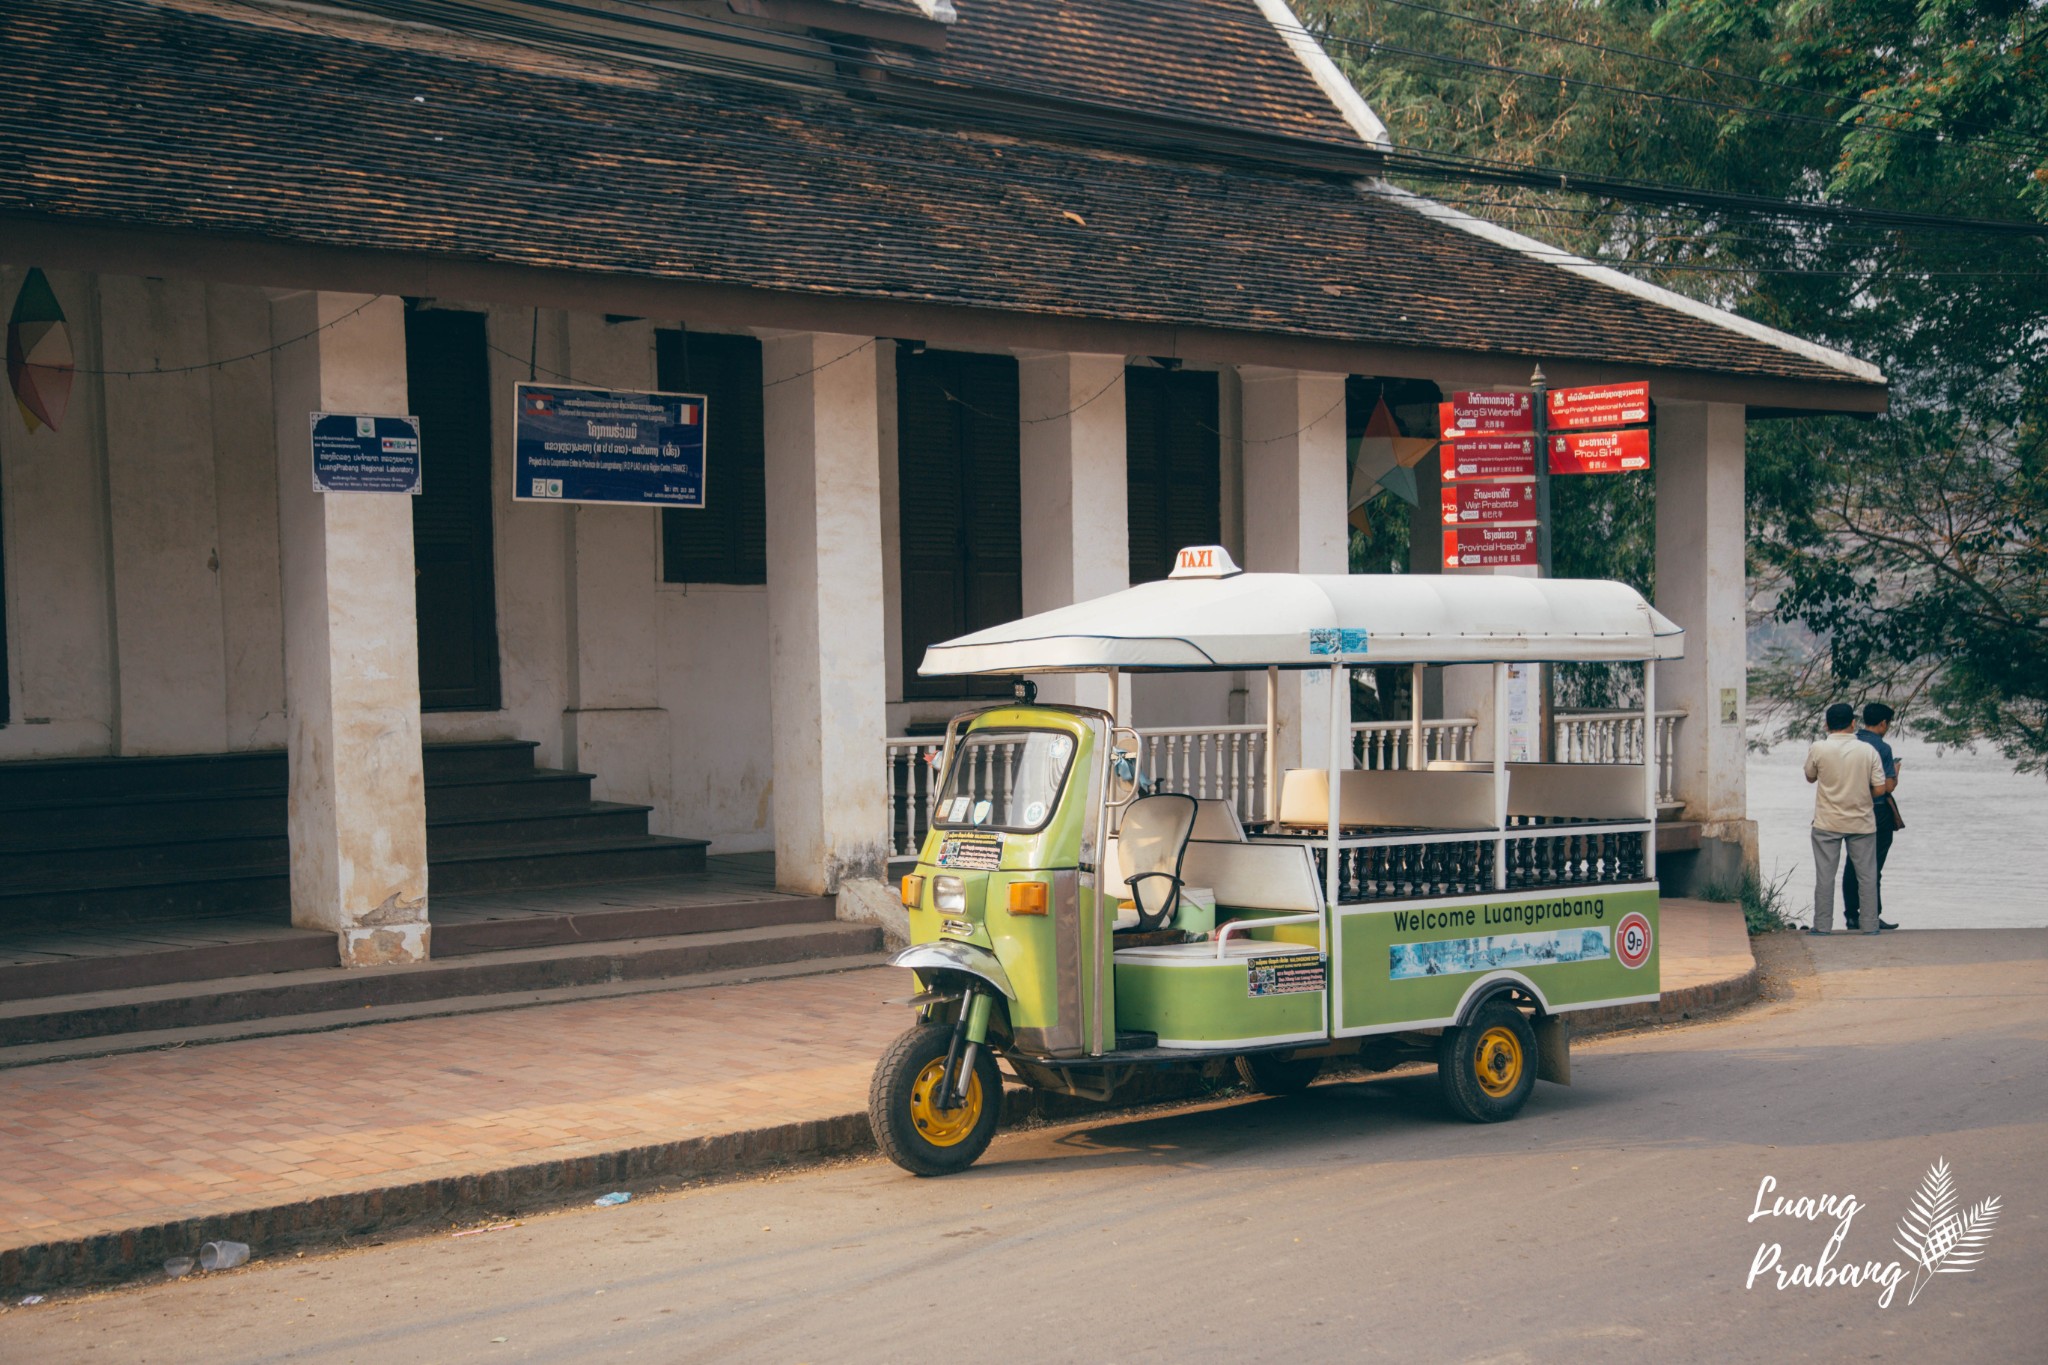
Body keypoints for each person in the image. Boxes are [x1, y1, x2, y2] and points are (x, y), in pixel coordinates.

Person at [1803, 702, 1883, 935]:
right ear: (1853, 723)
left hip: (1827, 821)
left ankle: (1823, 925)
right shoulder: (1868, 750)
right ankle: (1870, 925)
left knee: (1825, 876)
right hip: (1862, 821)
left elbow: (1810, 777)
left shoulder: (1818, 748)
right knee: (1867, 875)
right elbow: (1879, 789)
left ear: (1827, 725)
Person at [1842, 701, 1900, 931]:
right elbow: (1886, 786)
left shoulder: (1851, 743)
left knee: (1851, 863)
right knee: (1873, 863)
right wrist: (1895, 775)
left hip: (1849, 807)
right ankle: (1872, 914)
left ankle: (1851, 914)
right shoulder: (1882, 748)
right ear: (1883, 723)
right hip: (1876, 809)